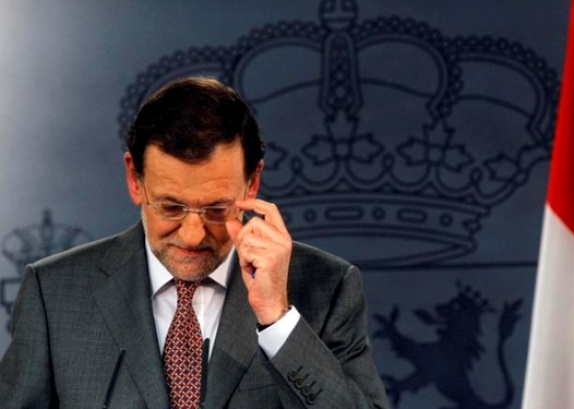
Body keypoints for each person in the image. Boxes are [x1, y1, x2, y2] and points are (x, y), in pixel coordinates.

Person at [0, 76, 390, 408]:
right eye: (171, 207)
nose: (192, 234)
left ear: (252, 182)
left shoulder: (328, 287)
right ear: (134, 179)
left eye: (216, 209)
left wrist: (277, 319)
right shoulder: (54, 294)